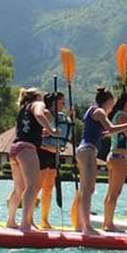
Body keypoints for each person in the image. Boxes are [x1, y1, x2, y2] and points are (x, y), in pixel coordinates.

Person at [76, 87, 127, 235]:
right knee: (88, 190)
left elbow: (104, 131)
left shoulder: (93, 111)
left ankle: (80, 225)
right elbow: (111, 129)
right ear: (109, 101)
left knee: (85, 189)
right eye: (112, 102)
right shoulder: (99, 111)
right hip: (88, 150)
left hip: (84, 150)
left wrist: (105, 133)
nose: (113, 105)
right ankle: (87, 227)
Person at [6, 88, 62, 230]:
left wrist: (41, 132)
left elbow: (27, 129)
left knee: (19, 188)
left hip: (15, 148)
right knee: (32, 186)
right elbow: (39, 114)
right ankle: (25, 223)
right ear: (37, 96)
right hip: (27, 149)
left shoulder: (23, 109)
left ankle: (11, 221)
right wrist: (52, 131)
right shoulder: (38, 104)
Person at [33, 91, 73, 229]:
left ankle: (44, 220)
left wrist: (69, 117)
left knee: (48, 188)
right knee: (37, 187)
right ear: (54, 103)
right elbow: (37, 130)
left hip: (54, 154)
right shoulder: (47, 114)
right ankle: (30, 219)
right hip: (43, 153)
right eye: (62, 102)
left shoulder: (61, 116)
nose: (64, 104)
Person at [102, 92, 127, 231]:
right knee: (115, 193)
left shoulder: (117, 115)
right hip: (119, 158)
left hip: (114, 156)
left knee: (111, 192)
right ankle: (109, 224)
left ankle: (107, 222)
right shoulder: (122, 116)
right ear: (126, 102)